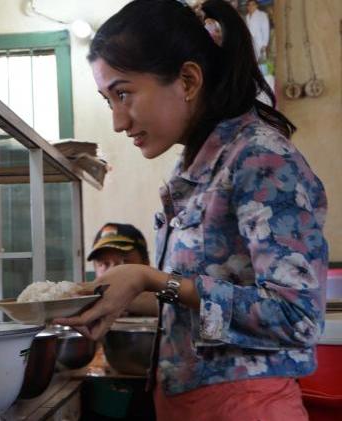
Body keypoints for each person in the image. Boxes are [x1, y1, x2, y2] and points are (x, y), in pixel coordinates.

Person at [54, 1, 328, 420]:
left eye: (123, 93)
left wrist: (151, 278)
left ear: (187, 79)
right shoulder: (195, 167)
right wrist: (113, 297)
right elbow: (204, 306)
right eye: (108, 100)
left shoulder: (260, 159)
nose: (117, 121)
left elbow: (296, 316)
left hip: (246, 408)